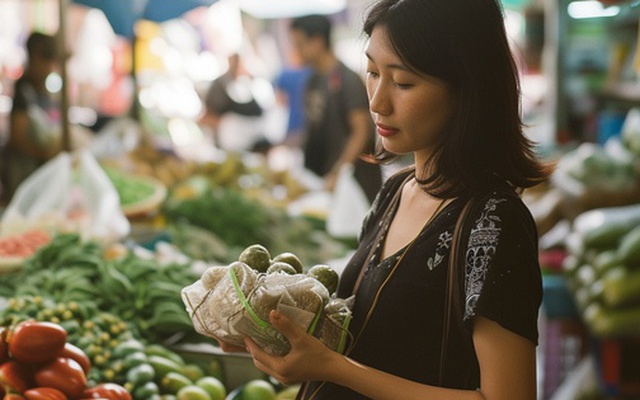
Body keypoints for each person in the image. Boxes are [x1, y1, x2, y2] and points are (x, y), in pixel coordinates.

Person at [219, 0, 553, 399]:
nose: (377, 101)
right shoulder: (395, 190)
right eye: (373, 72)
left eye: (403, 82)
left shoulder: (494, 223)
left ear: (468, 87)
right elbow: (365, 339)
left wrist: (335, 368)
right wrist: (271, 334)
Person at [289, 14, 382, 203]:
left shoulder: (347, 80)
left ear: (317, 41)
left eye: (299, 44)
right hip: (324, 181)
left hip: (354, 186)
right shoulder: (312, 81)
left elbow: (361, 131)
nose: (295, 50)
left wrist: (339, 172)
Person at [2, 31, 61, 202]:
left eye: (52, 60)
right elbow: (17, 137)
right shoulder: (23, 90)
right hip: (22, 172)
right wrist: (46, 153)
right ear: (32, 57)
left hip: (40, 174)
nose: (49, 66)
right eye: (45, 58)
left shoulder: (47, 91)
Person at [200, 53, 273, 153]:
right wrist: (226, 125)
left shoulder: (245, 83)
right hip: (229, 141)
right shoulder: (220, 85)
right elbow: (206, 116)